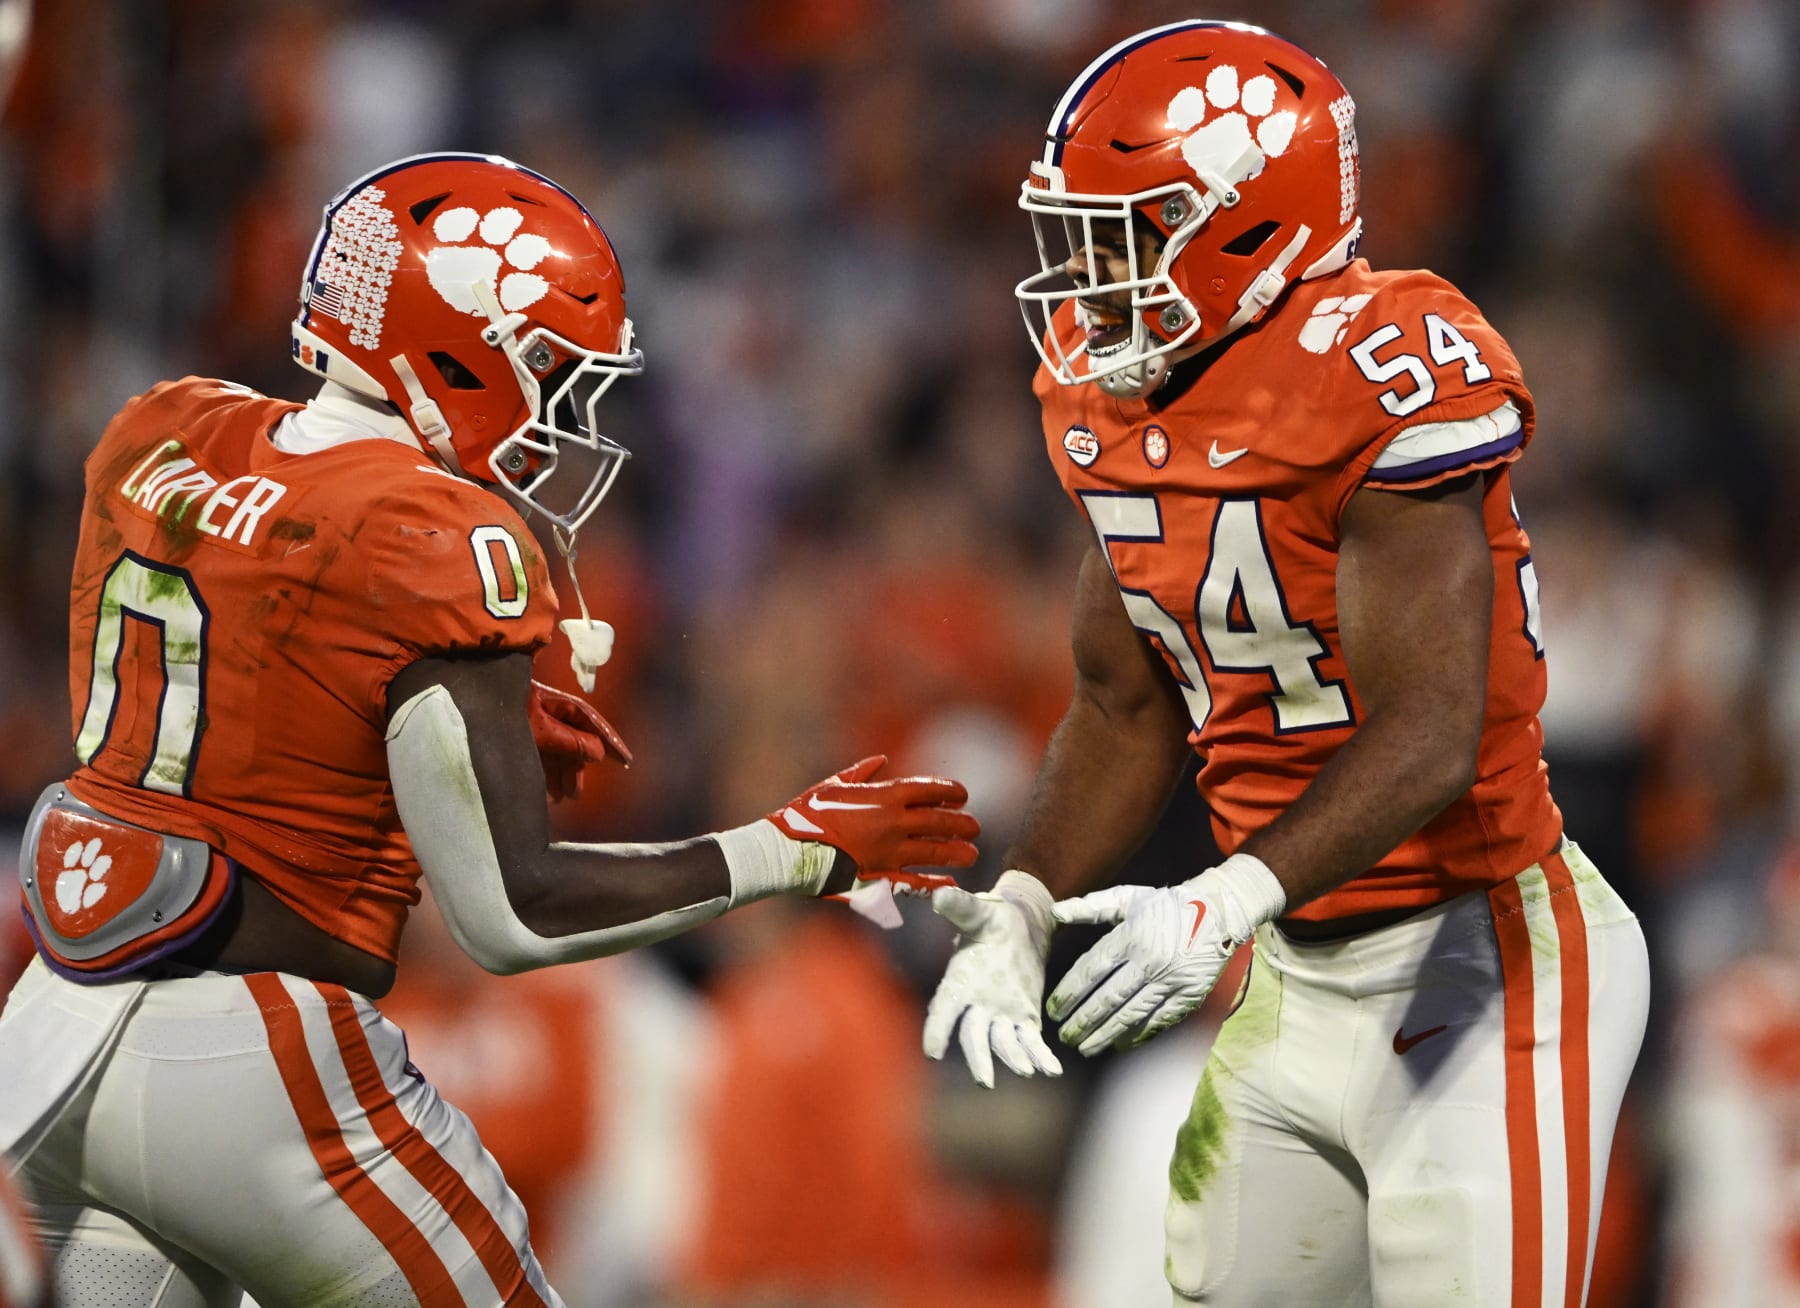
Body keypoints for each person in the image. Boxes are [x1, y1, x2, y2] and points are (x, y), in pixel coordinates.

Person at [0, 152, 979, 1306]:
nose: (562, 414)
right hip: (248, 1058)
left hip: (52, 1049)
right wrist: (793, 848)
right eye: (551, 369)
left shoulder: (165, 431)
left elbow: (220, 716)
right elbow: (511, 913)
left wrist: (436, 721)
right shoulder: (430, 527)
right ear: (456, 346)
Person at [923, 21, 1649, 1306]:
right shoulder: (1106, 395)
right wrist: (1023, 902)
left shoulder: (1380, 368)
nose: (1090, 275)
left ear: (1250, 227)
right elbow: (1121, 699)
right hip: (1295, 973)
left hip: (1484, 963)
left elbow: (1434, 731)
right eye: (1081, 233)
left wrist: (1219, 897)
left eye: (1129, 232)